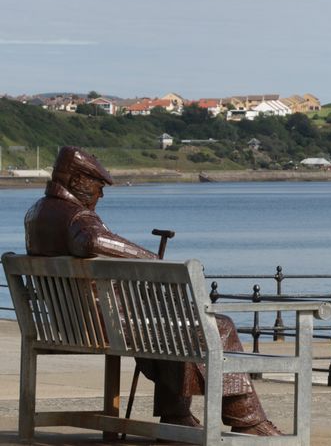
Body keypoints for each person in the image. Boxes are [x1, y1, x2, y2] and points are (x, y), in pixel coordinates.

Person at [24, 146, 281, 436]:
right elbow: (92, 240)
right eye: (98, 186)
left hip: (70, 323)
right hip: (105, 327)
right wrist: (154, 261)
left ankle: (177, 417)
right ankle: (247, 420)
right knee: (217, 326)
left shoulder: (37, 213)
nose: (101, 194)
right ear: (77, 181)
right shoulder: (77, 217)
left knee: (178, 328)